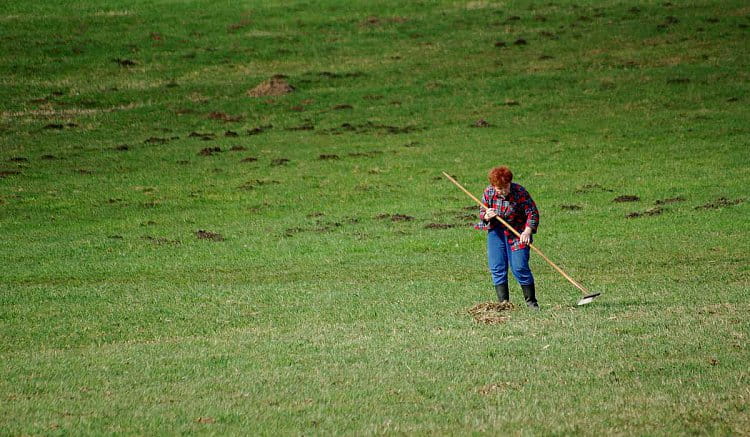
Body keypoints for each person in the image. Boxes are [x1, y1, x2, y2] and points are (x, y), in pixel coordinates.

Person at [475, 166, 540, 310]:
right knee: (497, 267)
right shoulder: (489, 192)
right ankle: (503, 304)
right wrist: (486, 215)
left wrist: (527, 231)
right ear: (493, 186)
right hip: (496, 232)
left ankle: (531, 303)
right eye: (500, 188)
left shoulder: (519, 192)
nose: (503, 191)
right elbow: (482, 212)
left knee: (520, 267)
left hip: (517, 233)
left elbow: (532, 213)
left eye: (506, 187)